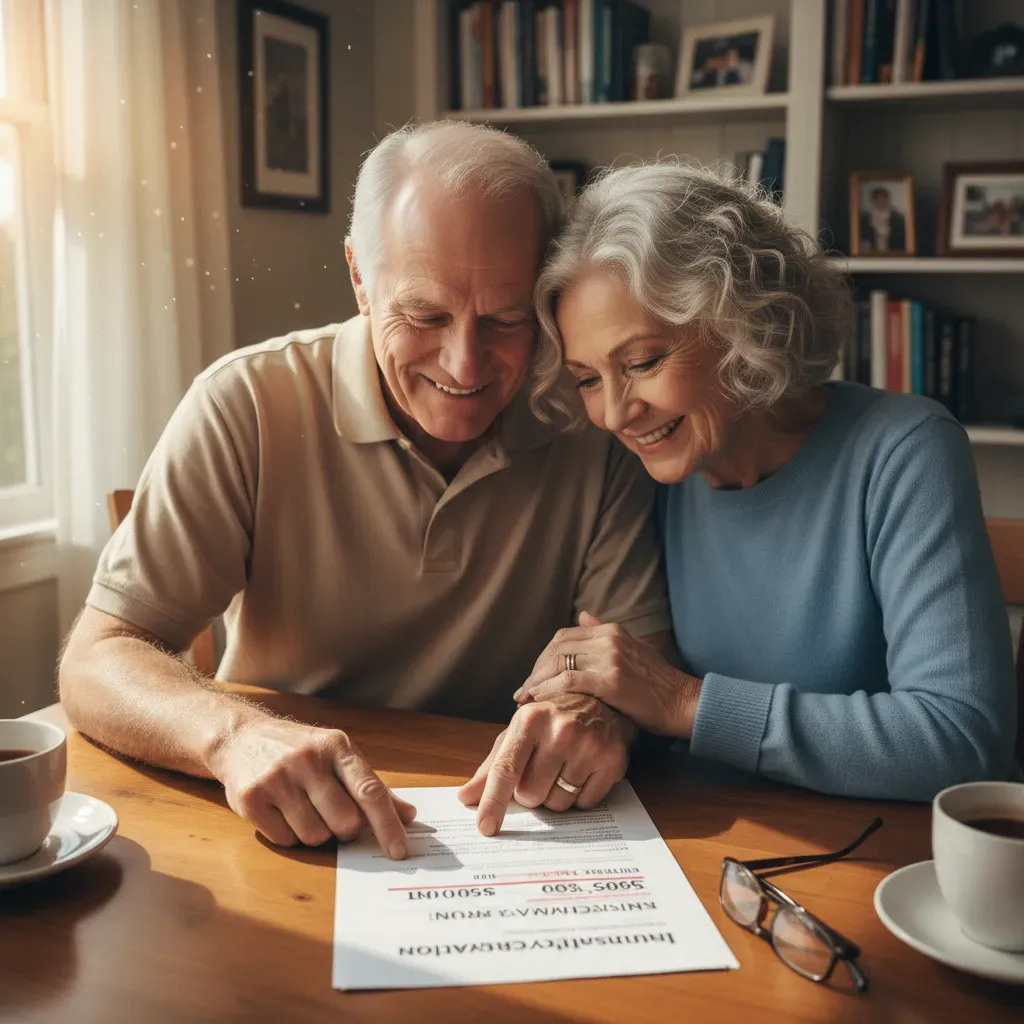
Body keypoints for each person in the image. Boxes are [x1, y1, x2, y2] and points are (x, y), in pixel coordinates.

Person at [58, 123, 673, 858]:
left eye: (507, 319)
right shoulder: (247, 403)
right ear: (359, 276)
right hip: (276, 822)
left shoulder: (596, 421)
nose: (465, 363)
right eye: (425, 314)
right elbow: (98, 656)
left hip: (510, 829)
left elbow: (636, 661)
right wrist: (233, 736)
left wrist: (592, 713)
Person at [516, 162, 1017, 801]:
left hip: (890, 862)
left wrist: (686, 703)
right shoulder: (648, 468)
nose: (615, 413)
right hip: (713, 842)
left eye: (642, 363)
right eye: (588, 378)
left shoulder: (903, 449)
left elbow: (962, 742)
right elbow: (635, 686)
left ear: (741, 322)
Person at [859, 186, 906, 252]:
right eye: (879, 198)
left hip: (892, 252)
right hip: (871, 252)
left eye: (884, 198)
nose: (882, 201)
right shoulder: (865, 217)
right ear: (874, 200)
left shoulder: (897, 218)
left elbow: (900, 237)